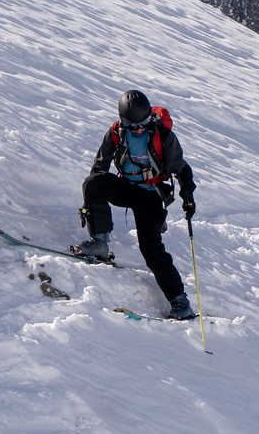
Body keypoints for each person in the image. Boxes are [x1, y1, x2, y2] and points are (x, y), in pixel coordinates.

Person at [73, 88, 196, 319]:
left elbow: (182, 169)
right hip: (127, 188)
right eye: (134, 126)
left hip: (151, 197)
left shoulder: (163, 136)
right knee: (93, 183)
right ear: (124, 122)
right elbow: (101, 163)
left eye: (144, 124)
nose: (139, 129)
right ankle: (100, 242)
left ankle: (180, 301)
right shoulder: (117, 132)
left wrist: (187, 197)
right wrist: (93, 194)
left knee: (150, 249)